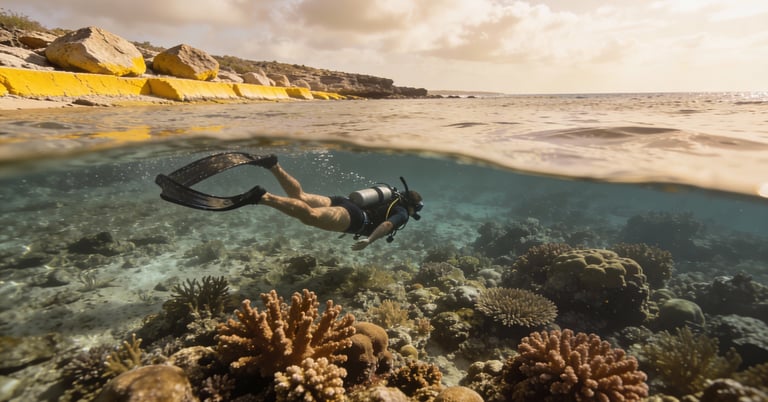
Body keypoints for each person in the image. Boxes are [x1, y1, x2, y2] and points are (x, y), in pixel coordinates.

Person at [155, 153, 423, 250]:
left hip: (345, 200)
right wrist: (368, 241)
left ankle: (273, 165)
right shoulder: (402, 211)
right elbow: (388, 226)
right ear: (412, 206)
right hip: (356, 218)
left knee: (302, 196)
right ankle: (263, 197)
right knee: (311, 216)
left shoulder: (390, 194)